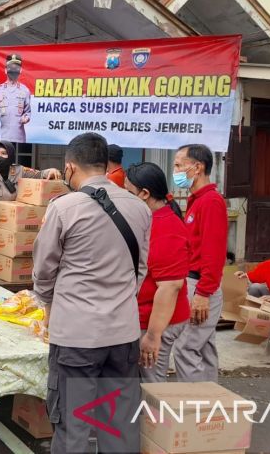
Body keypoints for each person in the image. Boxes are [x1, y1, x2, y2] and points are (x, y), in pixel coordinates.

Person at [32, 132, 151, 454]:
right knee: (117, 424)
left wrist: (48, 303)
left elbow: (44, 270)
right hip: (123, 334)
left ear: (69, 168)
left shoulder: (64, 207)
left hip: (76, 336)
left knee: (74, 426)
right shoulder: (140, 208)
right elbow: (140, 269)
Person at [124, 163, 191, 382]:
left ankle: (154, 417)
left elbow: (170, 287)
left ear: (144, 194)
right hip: (143, 316)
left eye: (128, 192)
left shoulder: (166, 228)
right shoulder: (148, 219)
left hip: (157, 321)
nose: (124, 197)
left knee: (151, 384)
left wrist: (153, 336)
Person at [172, 144, 227, 382]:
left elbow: (213, 253)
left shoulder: (211, 202)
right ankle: (209, 407)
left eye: (178, 165)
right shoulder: (197, 200)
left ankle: (194, 407)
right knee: (203, 347)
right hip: (194, 282)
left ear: (197, 167)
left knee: (186, 348)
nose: (175, 171)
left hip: (200, 285)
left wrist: (203, 293)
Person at [0, 141, 59, 247]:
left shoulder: (20, 170)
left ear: (10, 155)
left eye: (3, 153)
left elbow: (39, 174)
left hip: (13, 225)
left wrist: (51, 171)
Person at [0, 53, 31, 143]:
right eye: (11, 67)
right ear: (6, 70)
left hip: (19, 138)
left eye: (16, 68)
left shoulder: (25, 90)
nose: (14, 70)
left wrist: (26, 118)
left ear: (20, 70)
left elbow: (27, 112)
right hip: (3, 137)